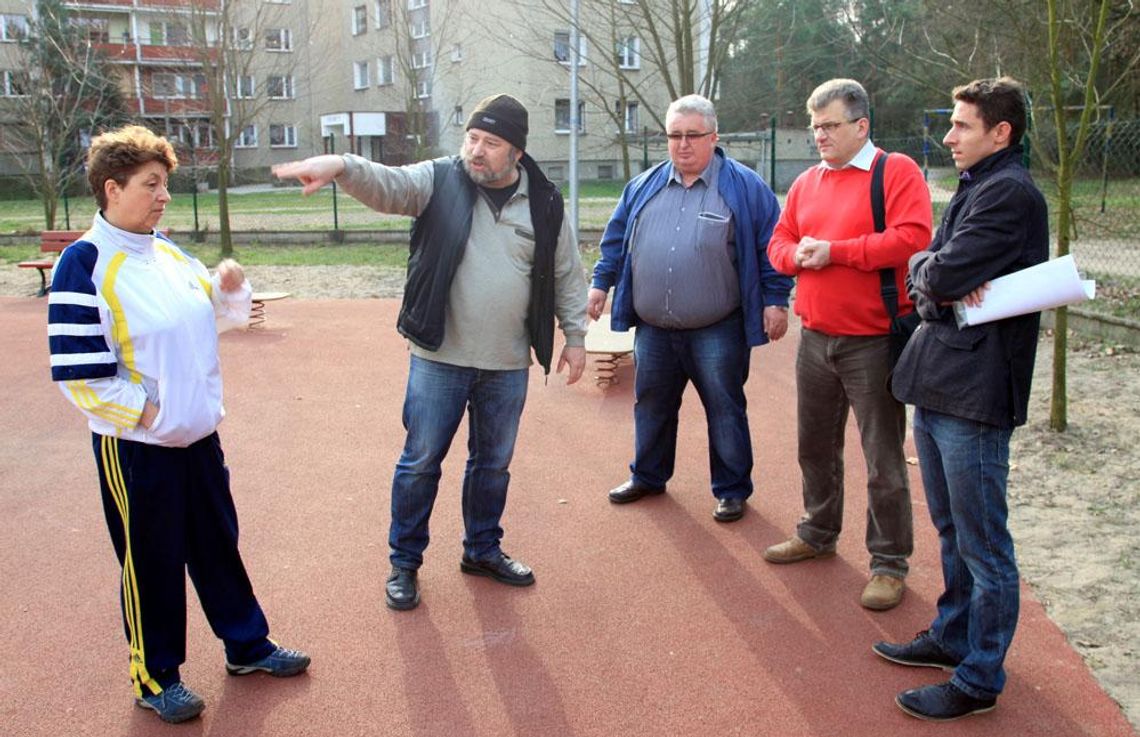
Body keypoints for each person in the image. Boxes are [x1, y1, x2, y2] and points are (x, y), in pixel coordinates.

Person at [272, 94, 588, 611]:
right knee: (420, 463)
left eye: (491, 143)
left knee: (493, 465)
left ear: (516, 152)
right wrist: (342, 166)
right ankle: (404, 563)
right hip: (439, 356)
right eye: (472, 138)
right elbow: (389, 185)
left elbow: (566, 274)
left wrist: (575, 338)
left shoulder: (546, 202)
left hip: (506, 362)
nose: (476, 151)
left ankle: (482, 549)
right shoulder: (440, 180)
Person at [47, 125, 310, 725]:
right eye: (152, 184)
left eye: (166, 184)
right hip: (138, 448)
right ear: (112, 189)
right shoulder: (83, 265)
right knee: (151, 559)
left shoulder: (165, 252)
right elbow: (79, 374)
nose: (164, 195)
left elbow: (211, 316)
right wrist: (151, 415)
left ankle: (247, 645)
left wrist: (227, 289)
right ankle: (155, 674)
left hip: (197, 439)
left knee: (218, 544)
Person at [873, 77, 1048, 721]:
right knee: (952, 529)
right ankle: (953, 635)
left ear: (1000, 132)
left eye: (962, 125)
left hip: (976, 392)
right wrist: (932, 272)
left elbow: (939, 272)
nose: (948, 136)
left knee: (983, 543)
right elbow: (935, 271)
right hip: (944, 378)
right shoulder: (980, 184)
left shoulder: (1009, 194)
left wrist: (931, 272)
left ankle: (979, 677)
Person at [764, 79, 933, 611]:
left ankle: (888, 562)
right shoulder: (807, 182)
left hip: (874, 340)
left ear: (862, 126)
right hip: (816, 336)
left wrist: (835, 252)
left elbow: (913, 238)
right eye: (815, 126)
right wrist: (798, 258)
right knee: (814, 445)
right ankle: (817, 532)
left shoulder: (895, 171)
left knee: (882, 457)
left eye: (830, 125)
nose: (820, 135)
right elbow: (778, 244)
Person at [589, 94, 791, 523]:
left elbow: (771, 248)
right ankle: (648, 475)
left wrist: (776, 300)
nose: (683, 145)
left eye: (692, 135)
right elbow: (615, 240)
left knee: (724, 407)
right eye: (674, 136)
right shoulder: (642, 186)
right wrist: (599, 284)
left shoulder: (745, 186)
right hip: (654, 328)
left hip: (716, 326)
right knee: (652, 404)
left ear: (714, 137)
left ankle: (732, 489)